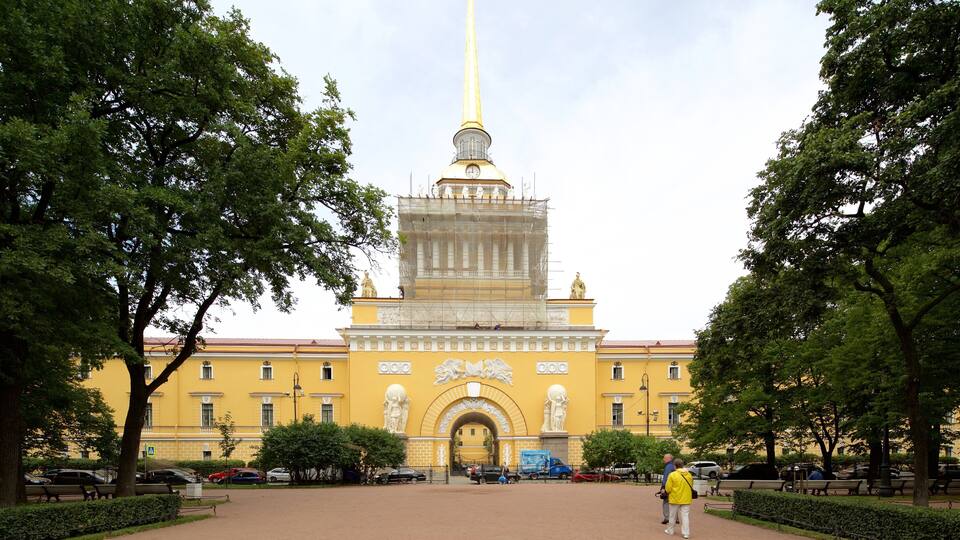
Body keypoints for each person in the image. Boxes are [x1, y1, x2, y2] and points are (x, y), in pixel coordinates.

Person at [664, 458, 694, 539]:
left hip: (675, 498)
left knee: (672, 516)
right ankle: (686, 533)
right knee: (685, 516)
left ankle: (670, 531)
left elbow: (668, 488)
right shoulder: (689, 474)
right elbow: (691, 485)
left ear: (675, 466)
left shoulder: (672, 475)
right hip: (686, 498)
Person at [659, 454, 675, 525]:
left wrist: (663, 487)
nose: (663, 459)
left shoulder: (668, 467)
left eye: (664, 458)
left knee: (666, 502)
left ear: (669, 458)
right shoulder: (674, 466)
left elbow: (666, 477)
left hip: (668, 486)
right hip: (675, 487)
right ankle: (675, 518)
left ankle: (667, 518)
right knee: (674, 502)